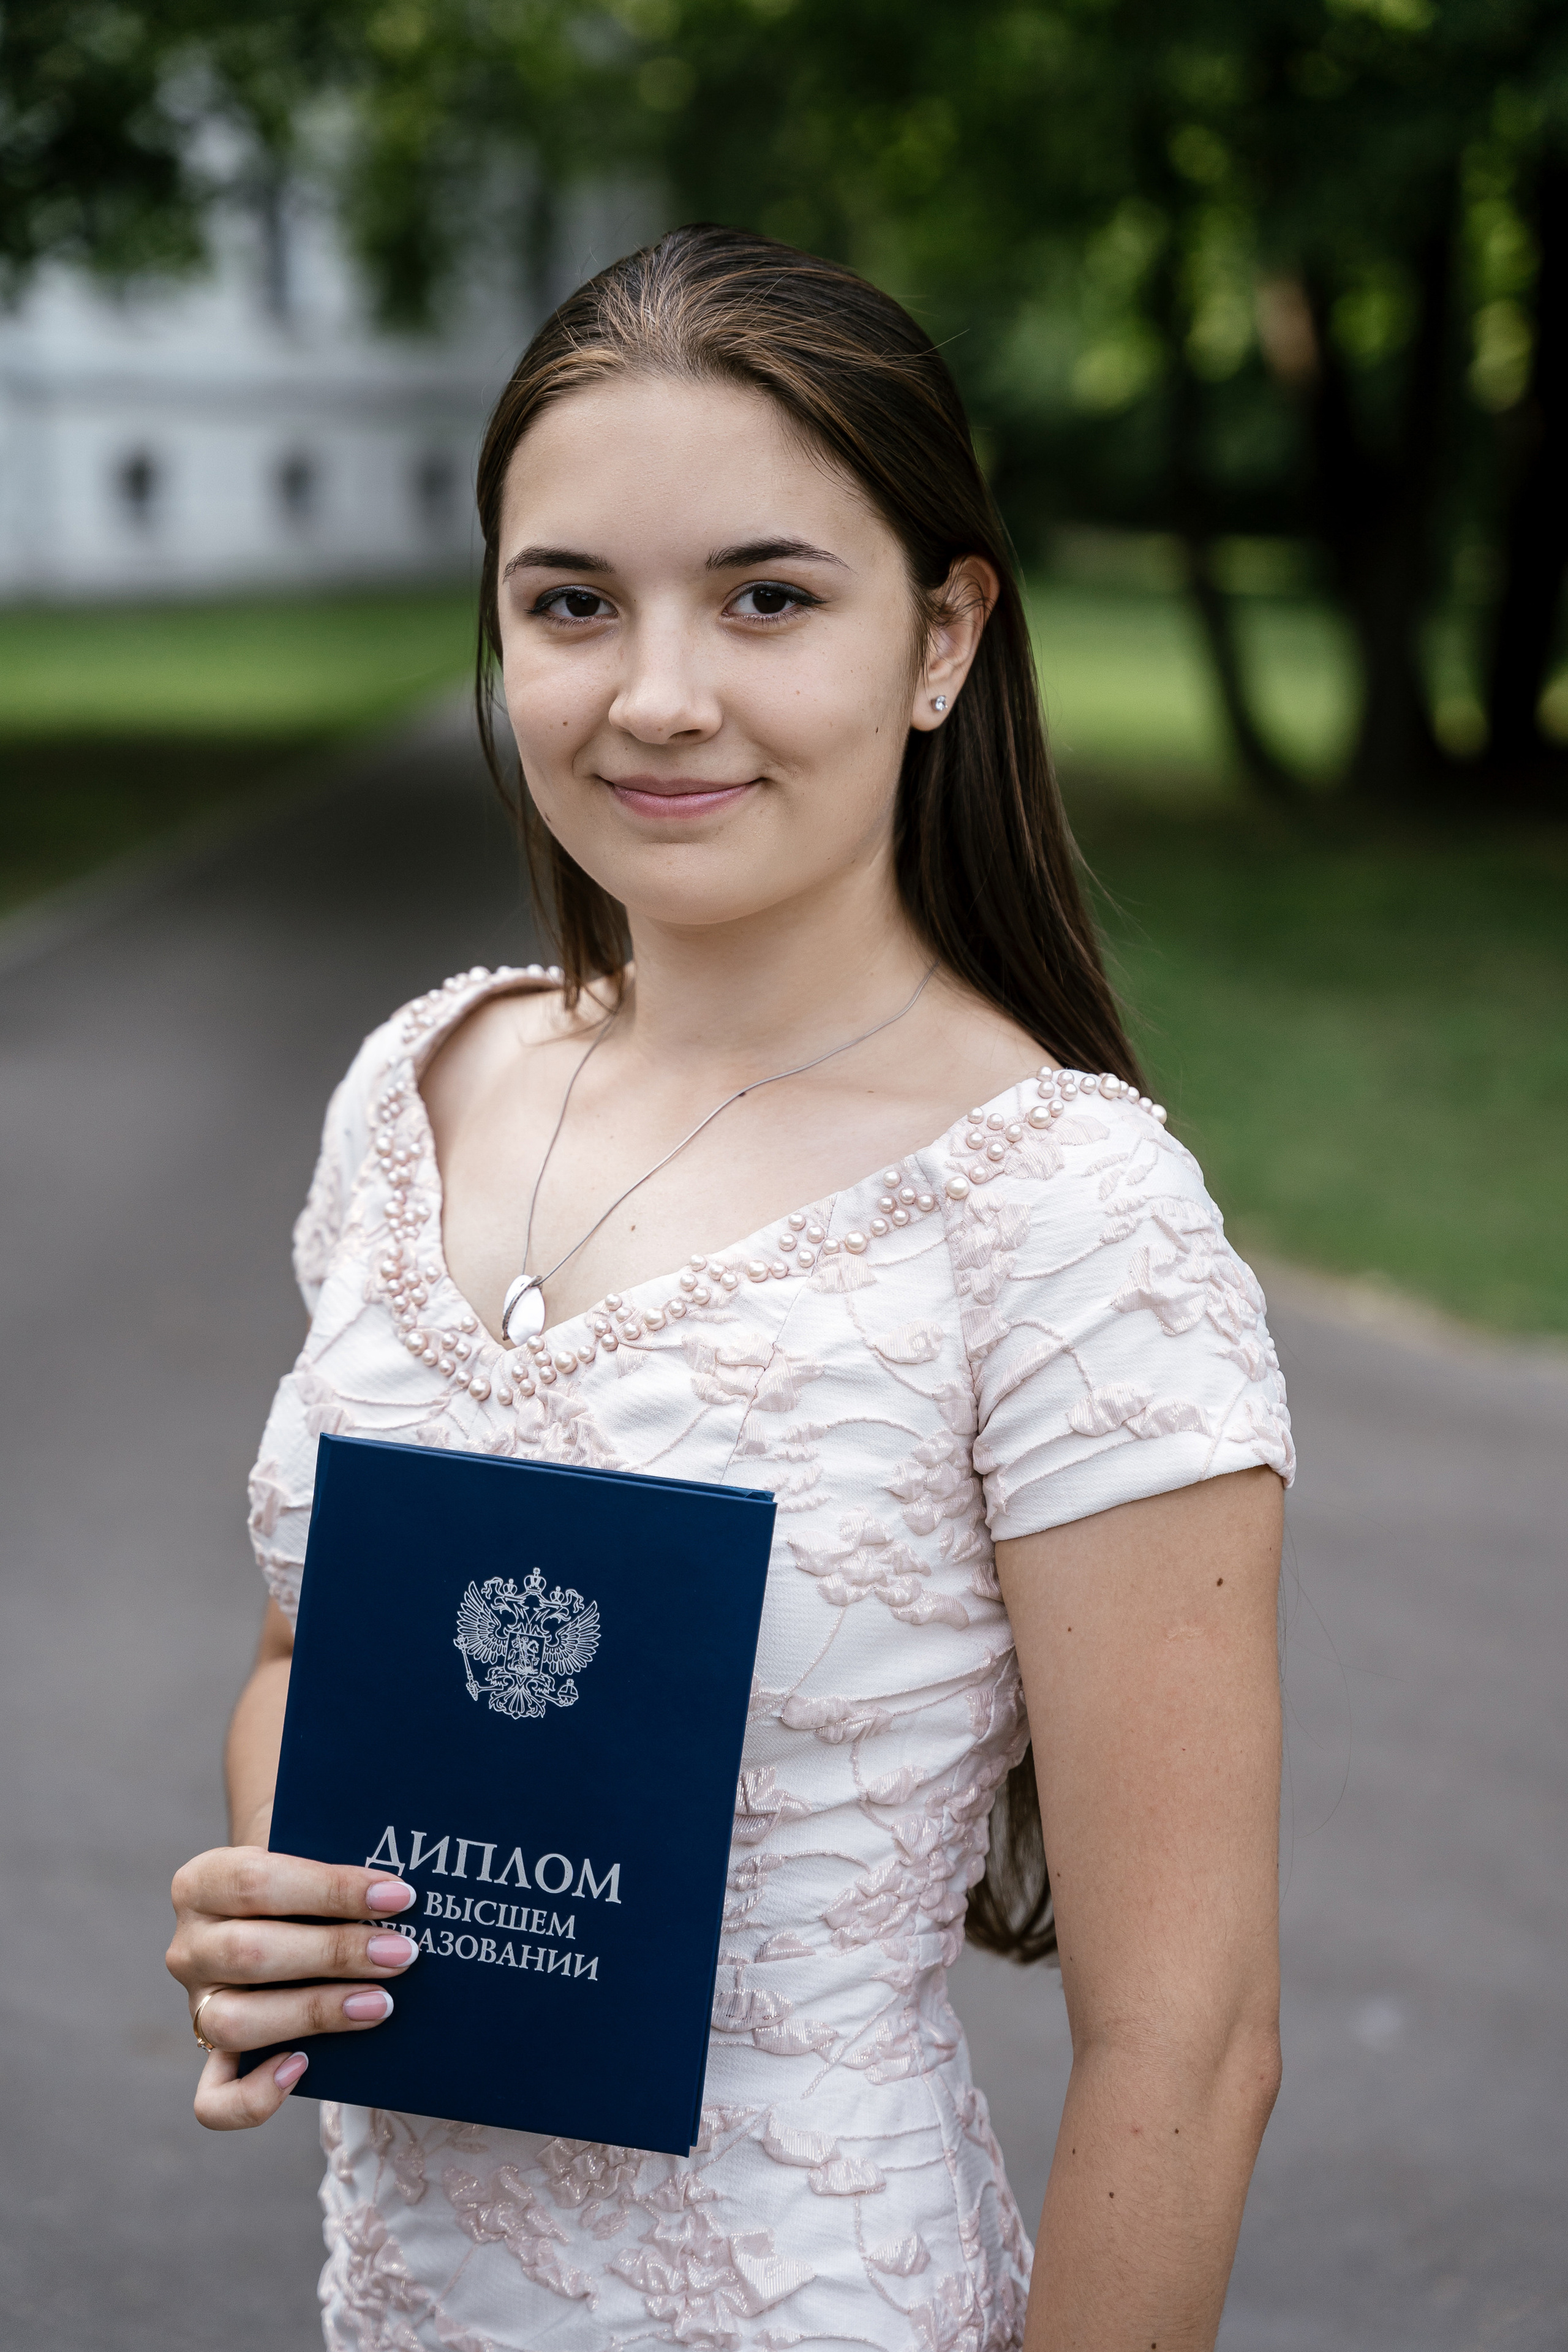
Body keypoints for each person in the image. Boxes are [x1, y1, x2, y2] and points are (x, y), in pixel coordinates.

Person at [167, 224, 1293, 2352]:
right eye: (571, 603)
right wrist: (282, 1910)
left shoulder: (1062, 1213)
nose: (655, 694)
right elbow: (304, 1654)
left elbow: (1195, 2040)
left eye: (767, 597)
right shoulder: (424, 1086)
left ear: (944, 636)